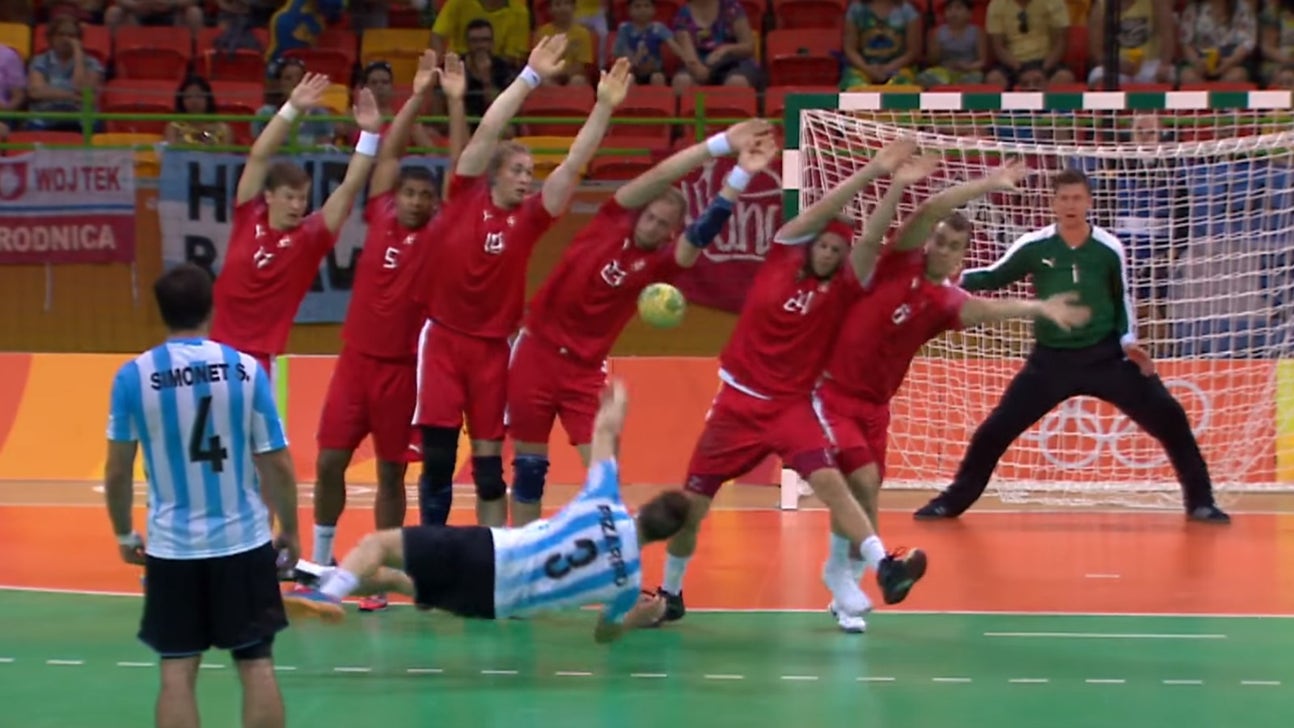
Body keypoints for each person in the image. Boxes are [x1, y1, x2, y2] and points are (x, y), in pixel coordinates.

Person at [652, 140, 930, 630]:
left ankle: (883, 564)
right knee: (692, 508)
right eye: (823, 244)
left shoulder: (842, 288)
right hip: (737, 403)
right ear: (810, 244)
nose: (829, 252)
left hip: (789, 408)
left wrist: (895, 187)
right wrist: (873, 170)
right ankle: (671, 592)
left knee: (834, 484)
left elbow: (870, 242)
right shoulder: (783, 253)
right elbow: (823, 210)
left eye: (837, 250)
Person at [815, 160, 1092, 629]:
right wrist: (988, 183)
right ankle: (857, 576)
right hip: (832, 394)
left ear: (962, 257)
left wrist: (1038, 305)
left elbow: (985, 309)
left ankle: (844, 587)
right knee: (860, 483)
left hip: (875, 406)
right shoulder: (898, 260)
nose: (941, 248)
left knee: (867, 492)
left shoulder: (945, 302)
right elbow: (928, 207)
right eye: (938, 239)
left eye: (952, 246)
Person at [914, 168, 1231, 523]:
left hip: (1107, 357)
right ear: (1052, 203)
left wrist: (1128, 342)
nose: (1070, 205)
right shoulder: (1035, 246)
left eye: (1077, 198)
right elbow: (994, 274)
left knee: (1170, 416)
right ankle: (950, 503)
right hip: (1050, 363)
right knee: (995, 430)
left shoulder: (1109, 248)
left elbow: (1123, 298)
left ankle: (1202, 502)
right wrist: (946, 282)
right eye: (1063, 198)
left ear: (1089, 202)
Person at [505, 121, 776, 527]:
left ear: (671, 231)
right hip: (536, 354)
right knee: (528, 470)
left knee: (604, 479)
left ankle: (616, 571)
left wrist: (740, 175)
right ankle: (522, 564)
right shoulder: (610, 222)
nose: (652, 225)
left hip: (583, 372)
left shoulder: (661, 264)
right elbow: (660, 176)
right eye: (649, 216)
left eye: (663, 223)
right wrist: (719, 146)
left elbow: (702, 235)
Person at [412, 36, 631, 529]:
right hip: (444, 341)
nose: (527, 178)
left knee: (490, 473)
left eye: (531, 172)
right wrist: (530, 76)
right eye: (517, 170)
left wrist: (602, 108)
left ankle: (495, 564)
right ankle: (432, 557)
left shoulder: (531, 220)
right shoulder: (466, 192)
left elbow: (573, 166)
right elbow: (489, 127)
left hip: (492, 350)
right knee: (440, 462)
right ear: (492, 174)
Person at [284, 380, 692, 643]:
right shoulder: (628, 581)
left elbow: (602, 433)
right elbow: (605, 635)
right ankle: (310, 577)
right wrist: (642, 616)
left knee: (379, 544)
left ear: (644, 507)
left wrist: (616, 403)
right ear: (664, 539)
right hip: (495, 603)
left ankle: (328, 593)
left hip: (492, 552)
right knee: (399, 581)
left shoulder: (604, 502)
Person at [102, 264, 301, 728]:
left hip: (173, 548)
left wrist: (124, 532)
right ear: (213, 308)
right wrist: (289, 529)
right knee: (256, 665)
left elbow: (116, 472)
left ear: (161, 315)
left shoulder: (133, 377)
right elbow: (278, 463)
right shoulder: (246, 370)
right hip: (244, 542)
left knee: (176, 671)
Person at [310, 51, 469, 613]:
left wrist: (452, 101)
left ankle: (375, 573)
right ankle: (320, 560)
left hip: (404, 371)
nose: (418, 201)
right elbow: (390, 152)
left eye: (426, 196)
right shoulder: (377, 212)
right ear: (395, 197)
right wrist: (419, 89)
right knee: (328, 462)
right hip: (355, 362)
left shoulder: (443, 231)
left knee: (390, 473)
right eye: (410, 193)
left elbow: (462, 167)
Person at [209, 71, 383, 379]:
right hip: (215, 354)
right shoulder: (249, 213)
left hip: (260, 362)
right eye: (289, 197)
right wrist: (292, 108)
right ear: (269, 196)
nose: (297, 205)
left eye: (302, 199)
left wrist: (369, 136)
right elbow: (259, 156)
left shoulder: (311, 237)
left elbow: (349, 187)